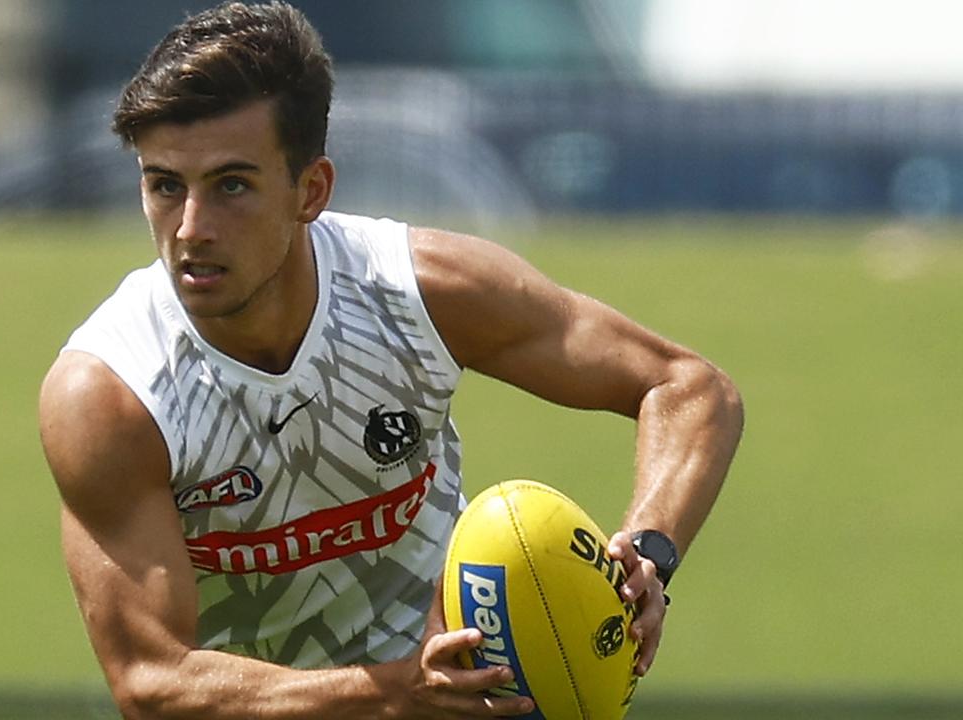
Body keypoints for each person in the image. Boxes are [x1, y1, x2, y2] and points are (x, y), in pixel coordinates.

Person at [38, 2, 743, 718]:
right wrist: (394, 693)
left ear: (310, 190)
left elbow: (688, 388)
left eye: (231, 186)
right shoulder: (112, 393)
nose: (191, 229)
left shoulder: (422, 293)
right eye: (165, 186)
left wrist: (646, 557)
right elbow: (152, 683)